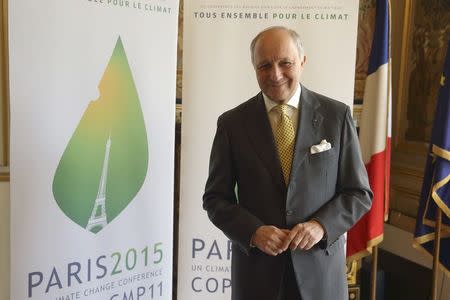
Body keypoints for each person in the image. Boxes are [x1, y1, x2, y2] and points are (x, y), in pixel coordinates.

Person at [203, 26, 373, 300]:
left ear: (302, 62)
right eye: (265, 65)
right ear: (254, 68)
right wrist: (254, 232)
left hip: (320, 276)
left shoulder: (336, 116)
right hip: (257, 277)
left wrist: (321, 225)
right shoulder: (232, 124)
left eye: (285, 63)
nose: (276, 74)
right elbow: (215, 199)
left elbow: (359, 193)